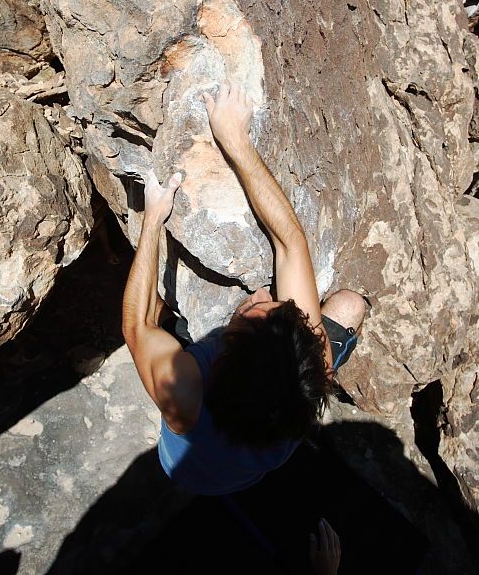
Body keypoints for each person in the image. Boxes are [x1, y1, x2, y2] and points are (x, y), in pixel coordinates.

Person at [122, 81, 367, 495]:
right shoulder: (308, 371)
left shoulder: (183, 397)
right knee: (351, 306)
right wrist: (235, 139)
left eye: (255, 308)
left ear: (221, 354)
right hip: (243, 474)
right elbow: (290, 243)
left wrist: (153, 219)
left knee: (160, 311)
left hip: (181, 467)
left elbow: (136, 324)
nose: (266, 294)